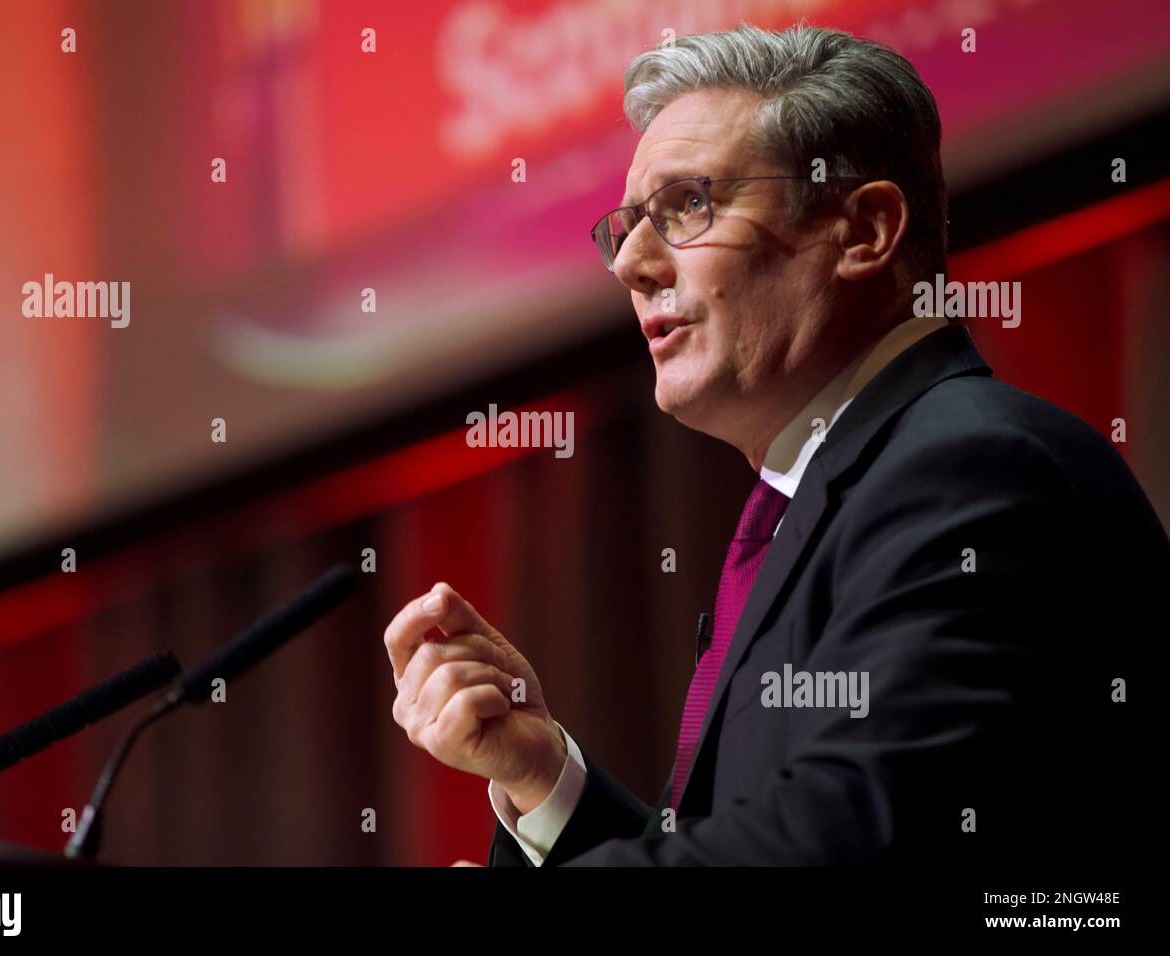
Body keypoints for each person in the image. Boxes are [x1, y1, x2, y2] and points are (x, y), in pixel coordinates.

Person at [383, 24, 1165, 866]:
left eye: (689, 205)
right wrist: (545, 777)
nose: (631, 265)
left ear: (864, 231)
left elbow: (859, 835)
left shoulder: (971, 469)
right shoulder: (822, 498)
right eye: (628, 225)